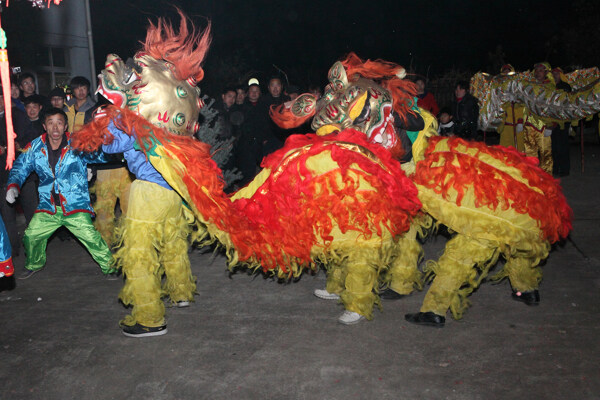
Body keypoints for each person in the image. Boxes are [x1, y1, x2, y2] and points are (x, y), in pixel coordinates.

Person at [5, 108, 114, 279]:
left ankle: (110, 268)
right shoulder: (35, 147)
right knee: (31, 236)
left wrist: (108, 139)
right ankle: (35, 263)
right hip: (48, 207)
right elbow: (20, 167)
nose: (55, 128)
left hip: (74, 205)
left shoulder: (77, 142)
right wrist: (13, 185)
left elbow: (99, 155)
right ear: (44, 126)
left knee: (92, 239)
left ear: (65, 126)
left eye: (59, 123)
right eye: (50, 123)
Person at [522, 62, 553, 174]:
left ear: (546, 72)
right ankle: (533, 177)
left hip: (543, 125)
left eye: (540, 70)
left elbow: (552, 107)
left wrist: (550, 125)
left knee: (545, 153)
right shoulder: (529, 86)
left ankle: (547, 179)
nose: (538, 73)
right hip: (529, 124)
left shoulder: (550, 87)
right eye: (536, 70)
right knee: (529, 153)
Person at [497, 65, 525, 151]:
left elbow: (523, 104)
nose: (506, 73)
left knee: (518, 149)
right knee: (504, 150)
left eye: (508, 71)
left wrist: (520, 121)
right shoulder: (499, 87)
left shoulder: (518, 86)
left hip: (516, 124)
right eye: (504, 71)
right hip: (504, 125)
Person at [550, 67, 572, 177]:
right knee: (553, 145)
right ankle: (555, 167)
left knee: (562, 145)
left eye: (557, 74)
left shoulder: (566, 87)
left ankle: (564, 169)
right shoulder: (549, 86)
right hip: (552, 119)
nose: (555, 75)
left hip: (563, 119)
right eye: (553, 73)